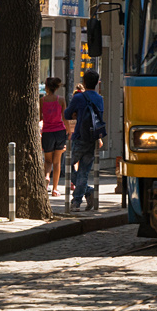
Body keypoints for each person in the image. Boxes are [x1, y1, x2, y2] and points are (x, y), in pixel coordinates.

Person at [64, 70, 108, 211]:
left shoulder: (79, 98)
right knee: (84, 171)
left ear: (84, 82)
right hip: (92, 139)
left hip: (79, 137)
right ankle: (79, 199)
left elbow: (67, 114)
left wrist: (76, 113)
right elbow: (99, 120)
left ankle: (84, 194)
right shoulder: (99, 99)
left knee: (67, 166)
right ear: (96, 83)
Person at [40, 77, 67, 192]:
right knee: (57, 162)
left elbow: (40, 117)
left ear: (46, 87)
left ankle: (46, 177)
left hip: (47, 132)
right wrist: (69, 132)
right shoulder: (61, 100)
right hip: (60, 131)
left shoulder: (42, 100)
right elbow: (65, 118)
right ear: (56, 88)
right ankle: (55, 189)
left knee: (47, 161)